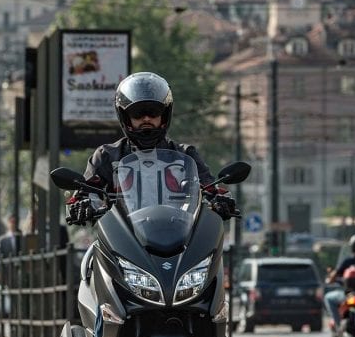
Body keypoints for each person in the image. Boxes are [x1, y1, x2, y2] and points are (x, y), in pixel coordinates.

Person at [65, 71, 237, 227]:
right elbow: (86, 192)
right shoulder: (107, 155)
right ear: (125, 116)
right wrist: (83, 204)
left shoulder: (185, 155)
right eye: (138, 113)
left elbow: (209, 188)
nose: (146, 118)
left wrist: (221, 201)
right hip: (121, 239)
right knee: (89, 259)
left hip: (180, 241)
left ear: (165, 114)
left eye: (153, 112)